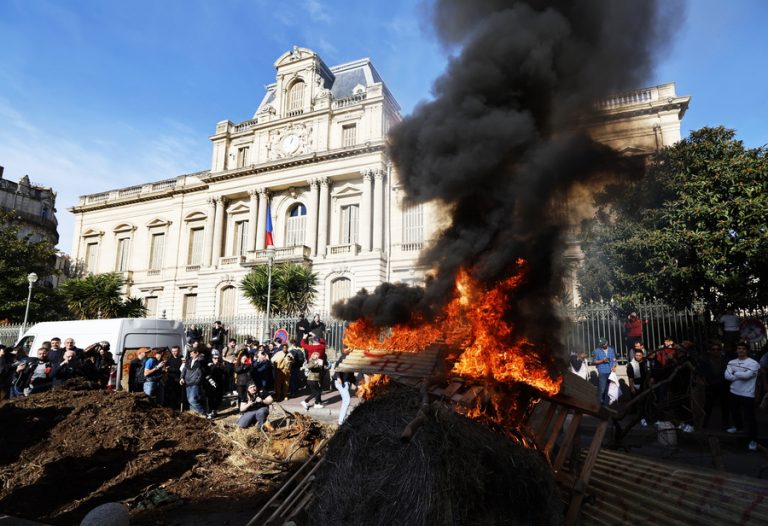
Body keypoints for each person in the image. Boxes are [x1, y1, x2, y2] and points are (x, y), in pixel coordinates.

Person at [724, 342, 760, 451]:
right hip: (734, 391)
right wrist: (741, 373)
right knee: (735, 412)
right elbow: (726, 376)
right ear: (736, 350)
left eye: (743, 349)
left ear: (747, 350)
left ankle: (753, 440)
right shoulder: (731, 362)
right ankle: (739, 427)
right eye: (739, 348)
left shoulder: (753, 363)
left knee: (750, 418)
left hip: (747, 393)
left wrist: (735, 373)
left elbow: (748, 376)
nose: (741, 350)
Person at [702, 341, 731, 430]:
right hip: (711, 386)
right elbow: (704, 372)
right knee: (708, 406)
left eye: (718, 349)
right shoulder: (706, 360)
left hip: (723, 385)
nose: (716, 351)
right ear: (710, 351)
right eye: (713, 349)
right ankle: (704, 423)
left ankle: (725, 424)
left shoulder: (726, 360)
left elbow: (728, 372)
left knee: (725, 406)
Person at [332, 347, 355, 425]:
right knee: (347, 400)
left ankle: (343, 419)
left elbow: (351, 374)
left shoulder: (351, 359)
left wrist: (355, 383)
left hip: (346, 382)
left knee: (345, 401)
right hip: (340, 382)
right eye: (348, 349)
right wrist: (338, 378)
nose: (350, 350)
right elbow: (336, 368)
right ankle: (341, 421)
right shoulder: (343, 357)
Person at [181, 347, 208, 416]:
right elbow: (184, 370)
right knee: (190, 401)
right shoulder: (189, 361)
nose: (190, 354)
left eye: (192, 352)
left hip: (195, 383)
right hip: (187, 383)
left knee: (192, 400)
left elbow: (202, 363)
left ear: (197, 353)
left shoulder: (201, 360)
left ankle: (203, 413)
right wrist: (182, 378)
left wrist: (198, 380)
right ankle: (195, 415)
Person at [593, 337, 616, 406]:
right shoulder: (597, 351)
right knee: (602, 390)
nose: (602, 345)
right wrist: (602, 360)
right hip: (602, 372)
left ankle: (606, 406)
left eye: (604, 344)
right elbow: (594, 362)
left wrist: (614, 367)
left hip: (610, 373)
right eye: (601, 344)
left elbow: (614, 360)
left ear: (607, 342)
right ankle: (599, 405)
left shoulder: (611, 350)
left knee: (609, 390)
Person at [205, 350, 227, 418]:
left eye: (218, 358)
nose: (216, 360)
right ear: (212, 358)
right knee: (210, 399)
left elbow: (225, 374)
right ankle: (209, 412)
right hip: (210, 386)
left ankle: (214, 411)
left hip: (219, 386)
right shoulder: (209, 365)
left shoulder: (221, 365)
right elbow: (207, 375)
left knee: (218, 399)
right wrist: (214, 366)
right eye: (215, 358)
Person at [164, 345, 184, 410]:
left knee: (178, 395)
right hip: (170, 379)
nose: (174, 353)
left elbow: (181, 369)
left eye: (175, 351)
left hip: (179, 380)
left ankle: (177, 409)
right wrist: (166, 369)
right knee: (170, 395)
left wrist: (170, 369)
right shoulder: (169, 359)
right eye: (173, 351)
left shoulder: (182, 359)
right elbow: (165, 368)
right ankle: (171, 408)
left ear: (179, 351)